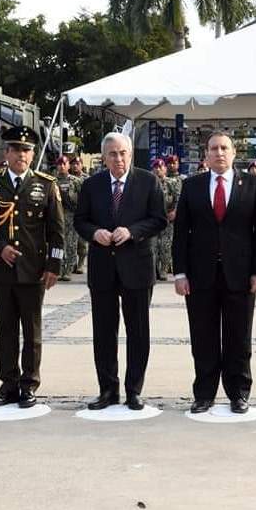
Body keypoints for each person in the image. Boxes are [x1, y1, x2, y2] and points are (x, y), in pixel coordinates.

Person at [173, 132, 256, 414]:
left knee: (238, 337)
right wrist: (180, 272)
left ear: (234, 153)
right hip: (200, 274)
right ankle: (204, 393)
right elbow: (180, 233)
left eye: (224, 148)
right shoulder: (192, 186)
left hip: (240, 275)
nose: (219, 153)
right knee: (202, 336)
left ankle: (238, 392)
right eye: (213, 149)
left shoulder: (252, 185)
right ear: (206, 155)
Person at [0, 126, 65, 409]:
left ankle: (29, 384)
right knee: (6, 329)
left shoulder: (46, 184)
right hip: (1, 270)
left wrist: (54, 266)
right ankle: (8, 383)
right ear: (7, 153)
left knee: (32, 330)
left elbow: (56, 230)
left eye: (26, 150)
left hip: (33, 270)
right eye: (16, 149)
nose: (21, 155)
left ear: (33, 154)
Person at [74, 133, 167, 410]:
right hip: (103, 268)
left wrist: (133, 231)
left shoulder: (148, 182)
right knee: (104, 332)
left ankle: (134, 389)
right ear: (104, 157)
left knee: (138, 331)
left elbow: (159, 219)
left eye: (123, 153)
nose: (119, 158)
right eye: (113, 154)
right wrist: (95, 233)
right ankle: (107, 389)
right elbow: (80, 221)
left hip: (136, 266)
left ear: (131, 154)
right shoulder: (91, 185)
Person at [152, 158, 181, 281]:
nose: (158, 169)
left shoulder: (171, 182)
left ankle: (163, 270)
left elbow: (178, 198)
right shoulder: (149, 182)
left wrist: (174, 211)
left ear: (164, 169)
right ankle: (153, 271)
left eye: (161, 167)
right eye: (156, 167)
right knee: (153, 247)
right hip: (152, 220)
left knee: (165, 246)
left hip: (167, 220)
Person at [54, 155, 82, 281]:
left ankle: (68, 270)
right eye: (59, 164)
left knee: (71, 244)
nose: (62, 166)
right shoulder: (52, 181)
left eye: (64, 164)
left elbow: (83, 199)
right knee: (58, 243)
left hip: (72, 216)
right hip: (57, 216)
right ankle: (59, 269)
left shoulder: (76, 181)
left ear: (68, 165)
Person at [69, 156, 88, 274]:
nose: (75, 166)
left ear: (81, 164)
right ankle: (72, 263)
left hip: (82, 212)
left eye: (77, 163)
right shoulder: (67, 177)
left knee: (81, 240)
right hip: (70, 212)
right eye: (73, 164)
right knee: (70, 240)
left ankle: (81, 262)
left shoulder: (87, 179)